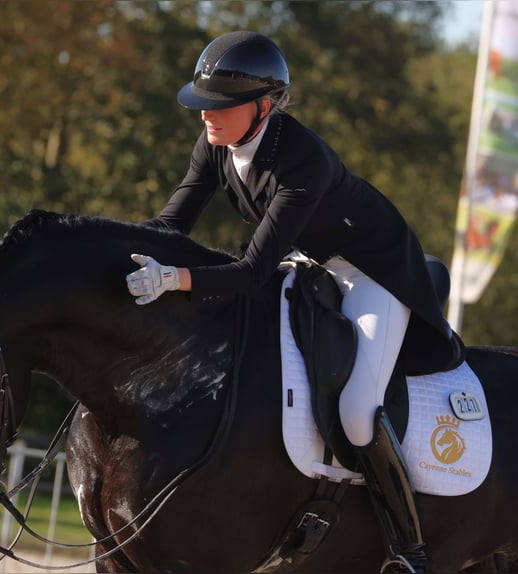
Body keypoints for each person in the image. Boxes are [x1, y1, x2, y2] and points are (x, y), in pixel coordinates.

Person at [126, 30, 462, 573]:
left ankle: (409, 548)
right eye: (202, 105)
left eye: (220, 106)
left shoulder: (303, 159)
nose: (206, 116)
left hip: (372, 274)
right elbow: (169, 225)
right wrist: (108, 253)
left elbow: (253, 271)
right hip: (307, 265)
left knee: (356, 412)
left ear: (264, 106)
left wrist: (175, 280)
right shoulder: (216, 144)